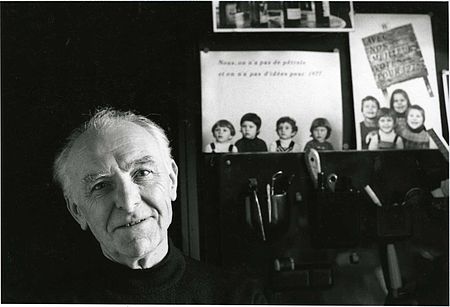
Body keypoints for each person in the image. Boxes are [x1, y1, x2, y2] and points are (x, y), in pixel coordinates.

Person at [52, 108, 267, 304]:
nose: (128, 203)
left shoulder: (240, 299)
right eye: (100, 186)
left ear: (172, 180)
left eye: (142, 173)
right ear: (77, 211)